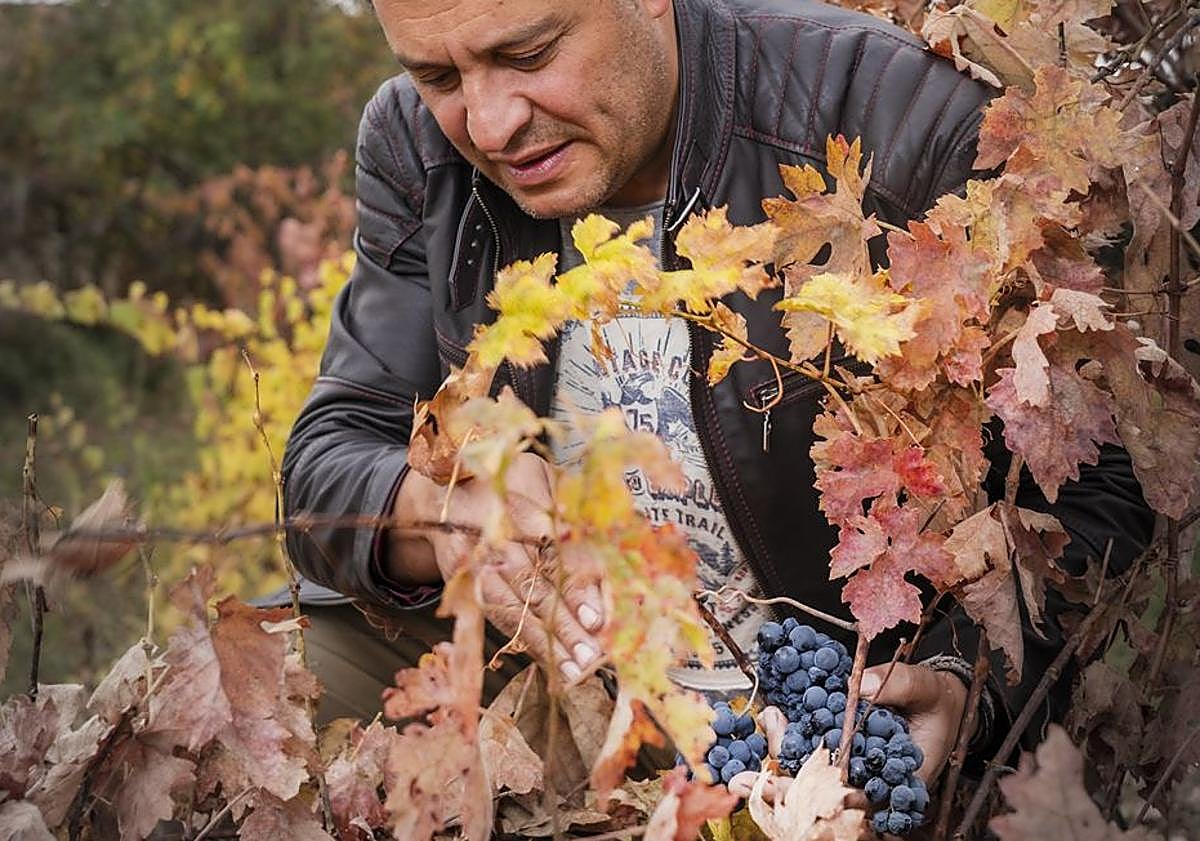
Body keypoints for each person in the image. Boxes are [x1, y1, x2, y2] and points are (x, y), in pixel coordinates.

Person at [277, 0, 1154, 794]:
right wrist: (439, 513)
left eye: (532, 53)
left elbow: (1102, 496)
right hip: (566, 679)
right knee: (279, 684)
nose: (491, 123)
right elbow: (328, 454)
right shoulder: (416, 144)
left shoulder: (895, 114)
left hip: (821, 721)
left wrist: (968, 680)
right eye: (437, 75)